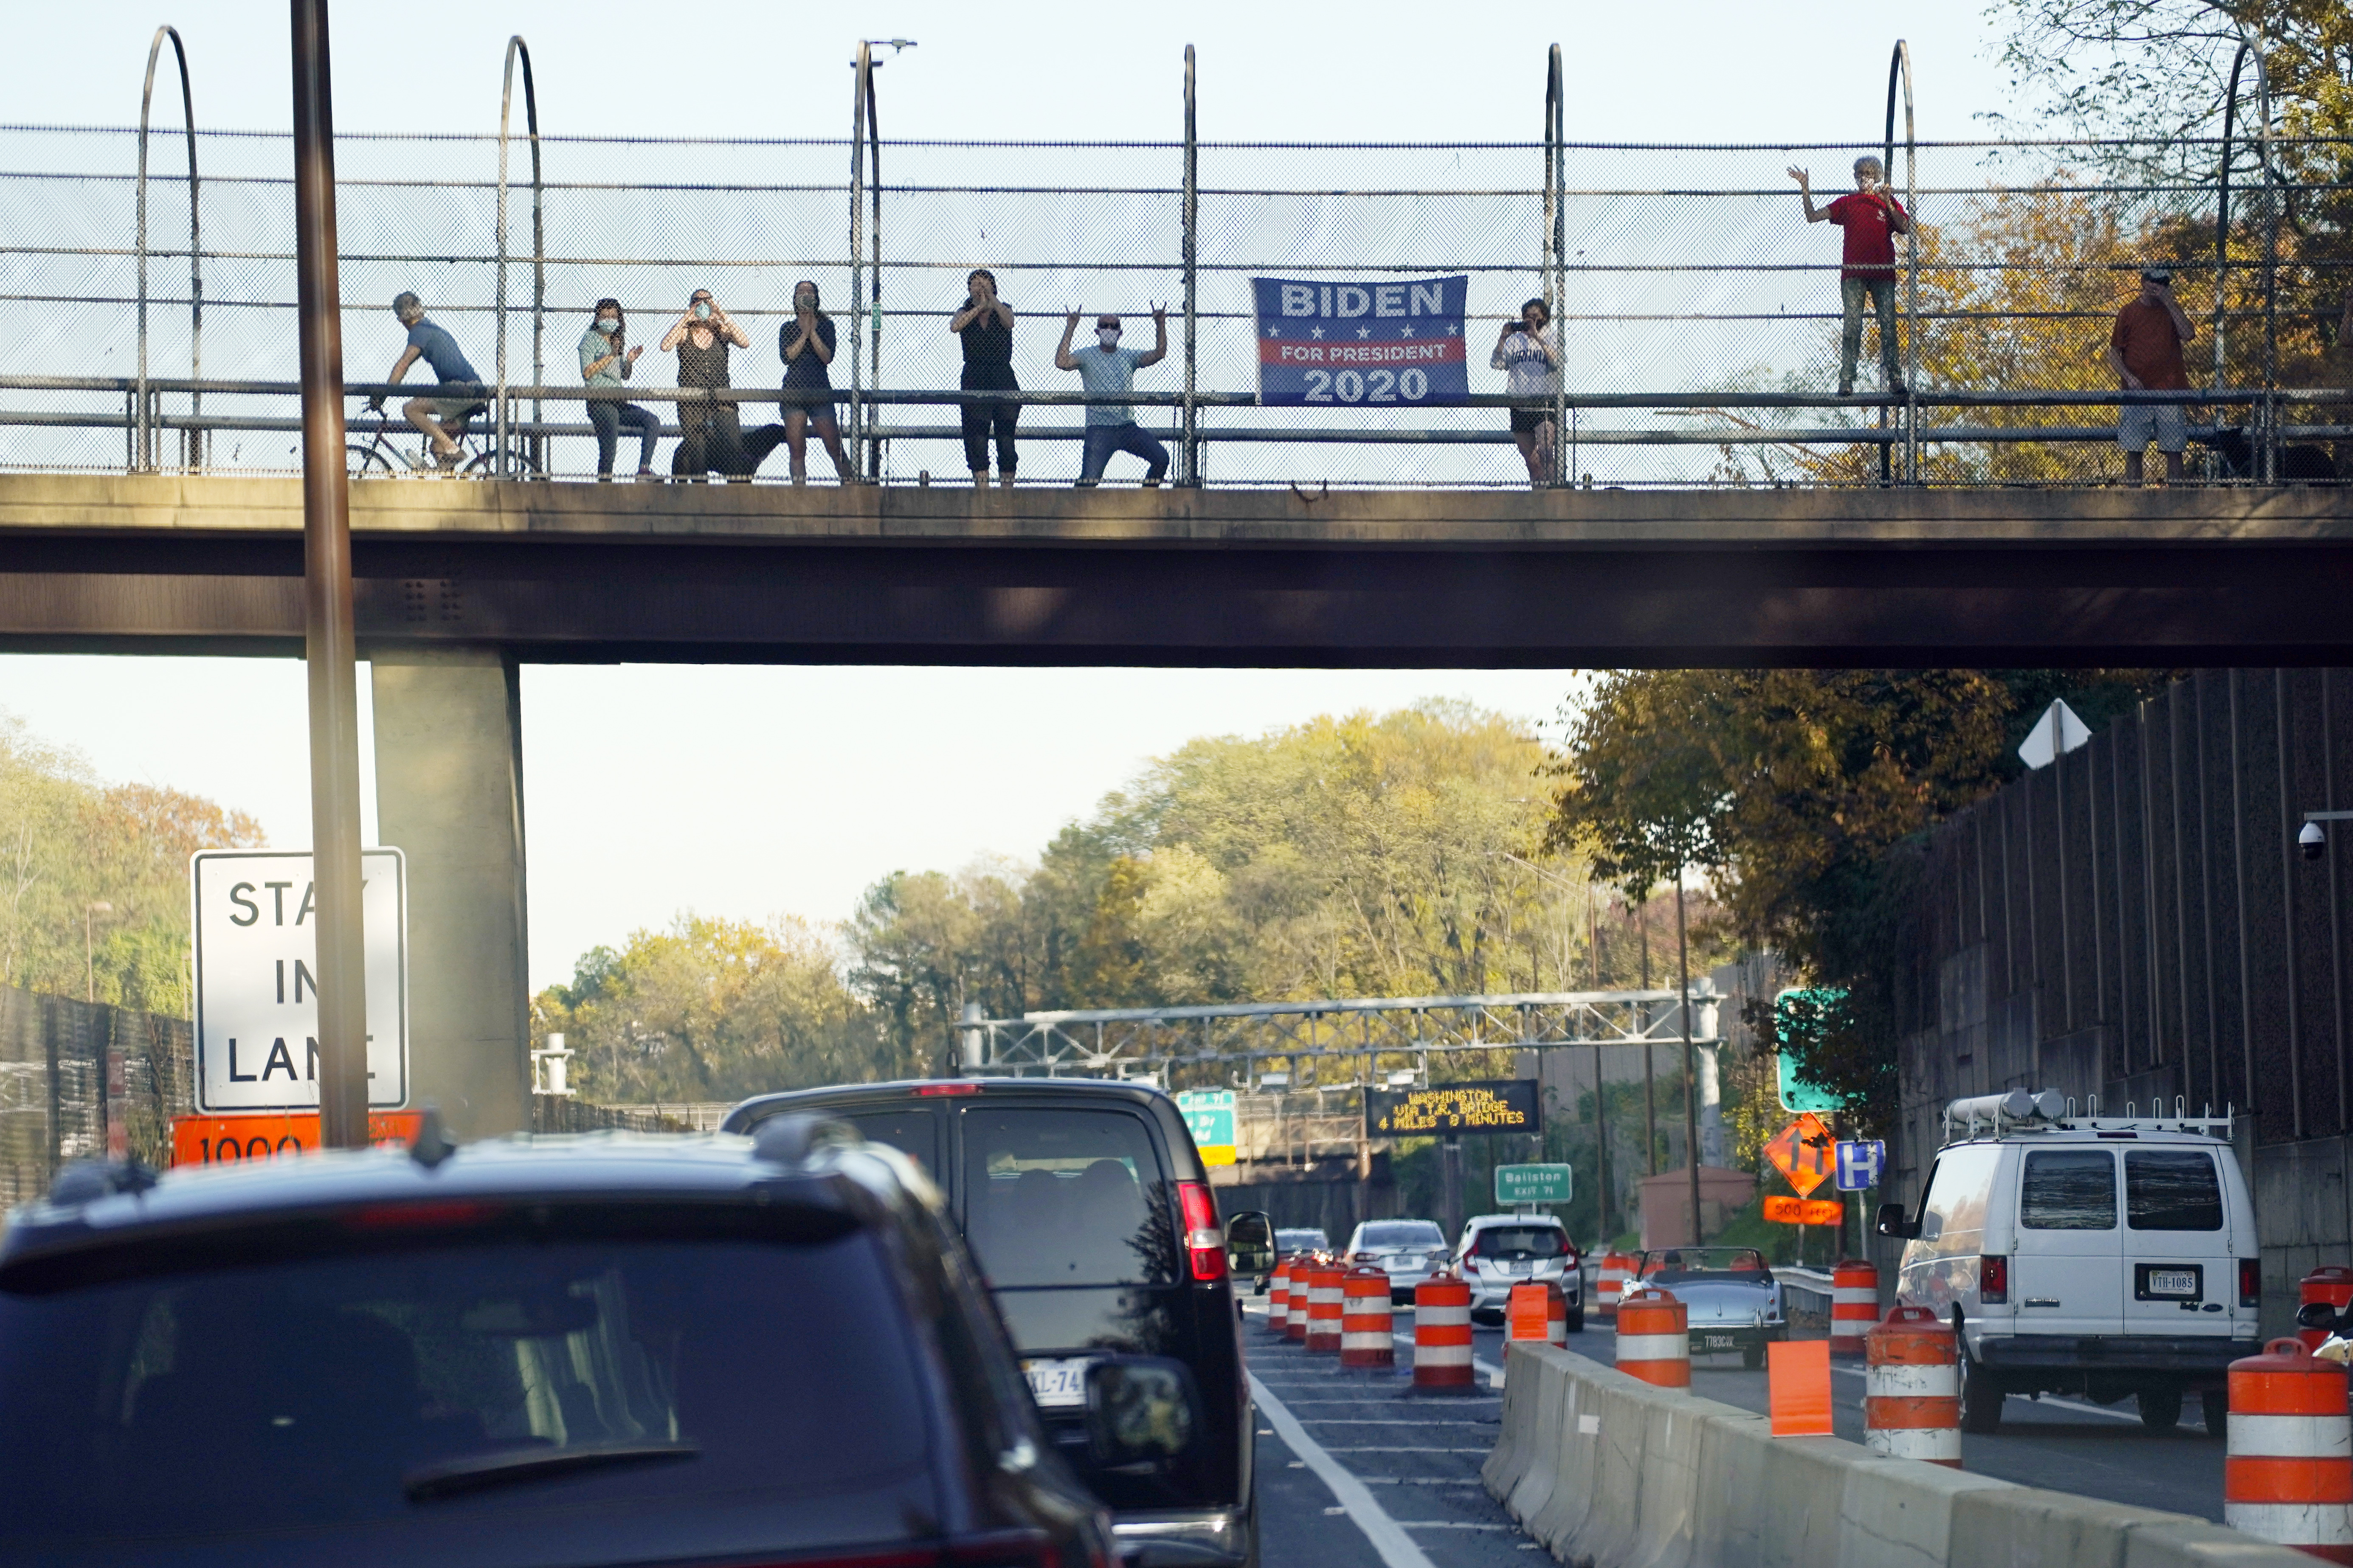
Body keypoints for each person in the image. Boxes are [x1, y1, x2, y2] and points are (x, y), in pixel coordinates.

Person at [1787, 157, 1911, 396]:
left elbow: (1905, 228)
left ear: (1877, 176)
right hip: (1854, 275)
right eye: (1860, 173)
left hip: (1882, 274)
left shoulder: (1886, 201)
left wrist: (1889, 205)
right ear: (1855, 176)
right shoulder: (1848, 203)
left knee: (1888, 325)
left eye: (1868, 173)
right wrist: (1805, 188)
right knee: (1852, 326)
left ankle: (1896, 378)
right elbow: (1813, 216)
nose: (1863, 177)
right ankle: (1846, 380)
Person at [749, 281, 853, 485]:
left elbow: (827, 356)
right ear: (795, 298)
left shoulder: (826, 326)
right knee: (797, 449)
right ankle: (799, 492)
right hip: (793, 394)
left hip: (820, 392)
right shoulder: (788, 328)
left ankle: (850, 485)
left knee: (834, 445)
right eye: (801, 292)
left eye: (809, 292)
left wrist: (812, 331)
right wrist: (804, 333)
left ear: (816, 297)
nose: (805, 295)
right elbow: (788, 356)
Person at [1055, 306, 1169, 487]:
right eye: (1105, 325)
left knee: (1161, 458)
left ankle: (1147, 500)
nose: (1109, 329)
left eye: (1114, 326)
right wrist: (1071, 326)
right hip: (1099, 429)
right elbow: (1061, 362)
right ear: (1097, 331)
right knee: (1089, 481)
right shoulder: (1086, 355)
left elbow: (1158, 354)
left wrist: (1160, 324)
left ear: (1120, 332)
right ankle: (1075, 511)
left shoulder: (1128, 356)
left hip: (1127, 427)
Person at [374, 292, 487, 471]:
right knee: (437, 448)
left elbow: (403, 365)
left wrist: (382, 396)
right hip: (470, 390)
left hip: (461, 390)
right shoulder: (432, 329)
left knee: (410, 409)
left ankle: (451, 447)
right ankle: (447, 477)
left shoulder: (420, 332)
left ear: (401, 320)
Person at [2106, 268, 2195, 487]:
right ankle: (2135, 499)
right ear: (2144, 281)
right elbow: (2113, 353)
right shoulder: (2128, 312)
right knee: (2134, 449)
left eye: (2164, 282)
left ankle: (2176, 500)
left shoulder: (2171, 311)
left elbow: (2188, 334)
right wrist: (2129, 378)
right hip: (2137, 394)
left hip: (2169, 390)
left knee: (2175, 449)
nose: (2158, 286)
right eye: (2154, 281)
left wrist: (2170, 303)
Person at [659, 287, 751, 481]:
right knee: (697, 447)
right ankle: (701, 491)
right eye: (697, 301)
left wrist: (721, 314)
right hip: (691, 402)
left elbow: (744, 342)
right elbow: (665, 346)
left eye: (707, 301)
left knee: (732, 445)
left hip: (721, 399)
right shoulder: (684, 332)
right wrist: (687, 317)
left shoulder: (721, 331)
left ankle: (736, 494)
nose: (702, 305)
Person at [951, 269, 1019, 487]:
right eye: (975, 284)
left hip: (1002, 374)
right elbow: (955, 326)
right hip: (974, 374)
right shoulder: (964, 310)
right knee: (976, 436)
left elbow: (1010, 322)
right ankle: (982, 490)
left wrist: (992, 301)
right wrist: (979, 307)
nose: (979, 287)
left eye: (984, 283)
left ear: (994, 286)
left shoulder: (1004, 309)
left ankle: (1007, 490)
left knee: (1006, 437)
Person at [578, 297, 658, 481]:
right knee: (609, 445)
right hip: (599, 402)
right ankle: (605, 482)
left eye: (614, 316)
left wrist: (628, 361)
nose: (609, 319)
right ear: (597, 319)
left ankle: (644, 470)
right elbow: (587, 372)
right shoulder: (590, 339)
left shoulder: (616, 341)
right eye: (605, 316)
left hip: (619, 402)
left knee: (652, 421)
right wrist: (612, 355)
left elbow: (624, 375)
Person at [1492, 298, 1562, 485]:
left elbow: (1557, 363)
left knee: (1547, 452)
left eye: (1535, 317)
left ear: (1544, 318)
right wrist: (1502, 339)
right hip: (1519, 405)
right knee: (1532, 461)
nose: (1531, 320)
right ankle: (1538, 498)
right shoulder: (1515, 340)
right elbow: (1497, 363)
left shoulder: (1552, 336)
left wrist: (1537, 336)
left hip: (1544, 405)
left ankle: (1555, 493)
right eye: (1527, 317)